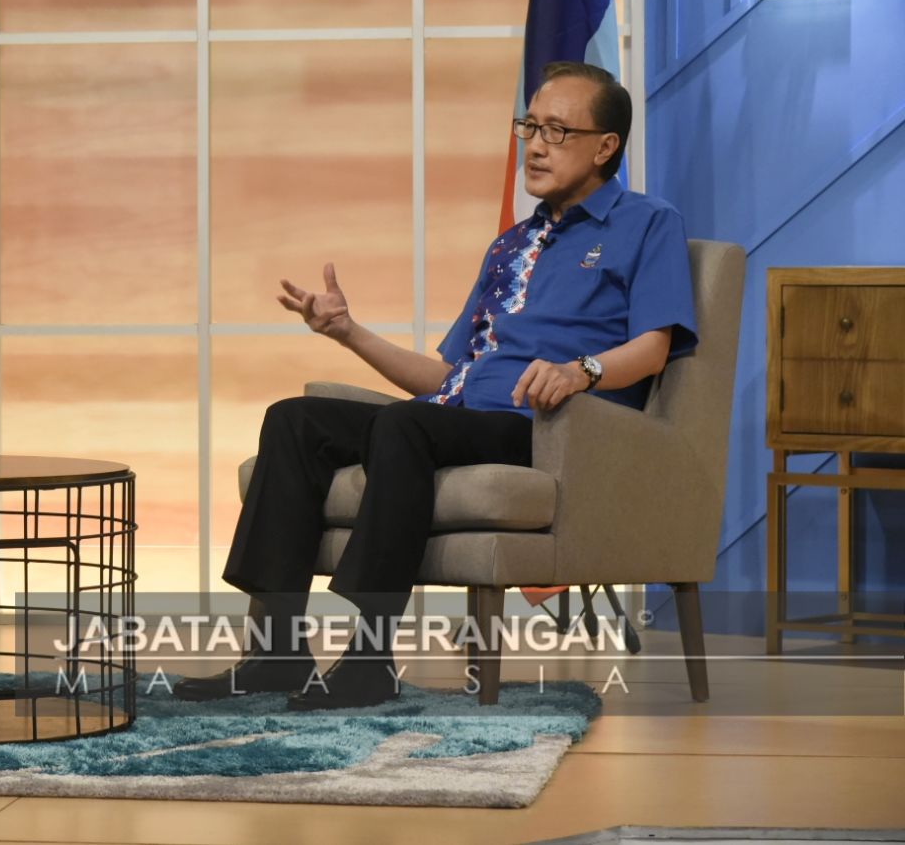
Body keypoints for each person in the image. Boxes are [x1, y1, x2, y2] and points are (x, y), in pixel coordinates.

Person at [175, 61, 697, 710]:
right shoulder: (512, 246)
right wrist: (348, 332)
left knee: (406, 425)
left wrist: (580, 371)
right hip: (460, 418)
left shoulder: (647, 223)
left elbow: (654, 347)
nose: (535, 145)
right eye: (530, 126)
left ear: (605, 146)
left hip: (550, 426)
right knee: (296, 420)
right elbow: (451, 379)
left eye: (557, 131)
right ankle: (277, 653)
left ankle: (369, 662)